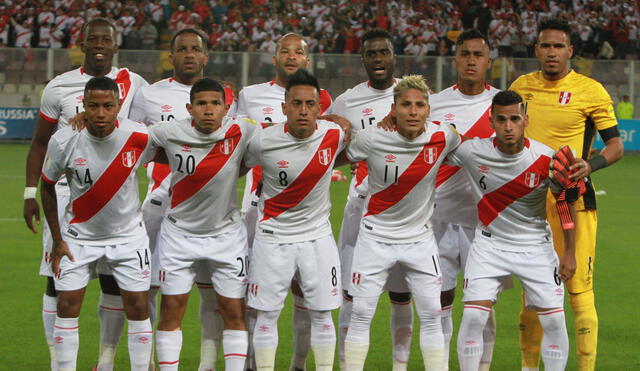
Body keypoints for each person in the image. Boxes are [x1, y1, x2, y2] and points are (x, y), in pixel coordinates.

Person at [23, 18, 147, 371]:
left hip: (114, 195)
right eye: (92, 39)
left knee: (112, 279)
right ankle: (56, 359)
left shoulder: (134, 84)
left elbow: (151, 127)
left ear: (115, 45)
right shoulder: (59, 86)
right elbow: (40, 143)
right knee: (56, 280)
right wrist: (31, 192)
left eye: (105, 40)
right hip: (64, 193)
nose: (99, 45)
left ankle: (105, 361)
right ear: (82, 42)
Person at [510, 18, 624, 371]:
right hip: (527, 204)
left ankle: (585, 367)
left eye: (558, 46)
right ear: (536, 50)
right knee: (532, 293)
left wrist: (591, 165)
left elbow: (616, 145)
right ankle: (530, 366)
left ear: (570, 51)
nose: (551, 52)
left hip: (572, 202)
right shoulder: (520, 86)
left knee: (577, 290)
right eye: (545, 46)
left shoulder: (590, 90)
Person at [230, 32, 334, 371]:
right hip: (262, 213)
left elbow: (341, 145)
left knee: (315, 305)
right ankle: (249, 363)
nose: (304, 111)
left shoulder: (332, 125)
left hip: (314, 227)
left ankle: (299, 364)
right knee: (258, 303)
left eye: (298, 52)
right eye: (284, 51)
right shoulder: (251, 100)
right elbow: (236, 150)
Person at [344, 75, 461, 371]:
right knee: (361, 314)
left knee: (433, 315)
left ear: (428, 109)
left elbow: (467, 148)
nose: (413, 110)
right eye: (405, 104)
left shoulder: (443, 136)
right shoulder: (372, 137)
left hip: (420, 241)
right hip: (374, 239)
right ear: (393, 108)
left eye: (420, 105)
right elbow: (339, 158)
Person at [453, 90, 576, 371]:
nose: (508, 126)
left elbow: (565, 204)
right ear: (491, 121)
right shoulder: (471, 151)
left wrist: (569, 252)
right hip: (488, 245)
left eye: (514, 119)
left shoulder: (546, 158)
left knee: (555, 321)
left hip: (535, 247)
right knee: (472, 318)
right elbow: (431, 151)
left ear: (526, 120)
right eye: (501, 119)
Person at [40, 76, 156, 371]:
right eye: (93, 106)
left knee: (138, 308)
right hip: (78, 237)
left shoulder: (139, 135)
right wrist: (57, 239)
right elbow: (47, 185)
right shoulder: (64, 139)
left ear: (119, 106)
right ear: (84, 106)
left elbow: (176, 148)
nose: (101, 113)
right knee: (67, 307)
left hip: (129, 238)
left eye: (108, 106)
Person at [129, 28, 227, 371]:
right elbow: (132, 141)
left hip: (211, 210)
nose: (189, 54)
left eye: (195, 49)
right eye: (182, 49)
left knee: (210, 291)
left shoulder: (225, 94)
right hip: (160, 204)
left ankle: (208, 363)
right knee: (151, 286)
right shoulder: (150, 94)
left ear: (205, 56)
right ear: (171, 57)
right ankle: (152, 361)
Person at [245, 70, 346, 371]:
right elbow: (234, 166)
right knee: (267, 314)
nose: (303, 110)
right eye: (297, 103)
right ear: (284, 106)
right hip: (272, 237)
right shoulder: (262, 141)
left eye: (310, 104)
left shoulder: (334, 134)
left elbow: (348, 149)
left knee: (323, 313)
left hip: (317, 237)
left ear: (319, 108)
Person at [150, 78, 254, 371]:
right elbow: (127, 137)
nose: (208, 110)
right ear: (190, 108)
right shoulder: (170, 132)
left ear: (226, 108)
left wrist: (333, 121)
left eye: (215, 104)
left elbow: (281, 134)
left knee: (233, 309)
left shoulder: (241, 129)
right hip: (178, 235)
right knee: (172, 308)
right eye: (201, 103)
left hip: (227, 235)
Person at [326, 28, 415, 370]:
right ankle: (348, 365)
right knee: (351, 293)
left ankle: (400, 365)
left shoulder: (413, 94)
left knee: (401, 294)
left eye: (384, 53)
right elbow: (330, 150)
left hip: (407, 211)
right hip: (361, 208)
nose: (378, 59)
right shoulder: (346, 102)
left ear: (394, 56)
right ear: (362, 59)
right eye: (371, 54)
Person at [428, 29, 500, 371]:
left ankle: (481, 366)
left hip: (484, 221)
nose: (471, 60)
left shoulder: (502, 104)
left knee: (482, 302)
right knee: (438, 298)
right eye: (465, 54)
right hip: (439, 215)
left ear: (488, 61)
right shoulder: (436, 103)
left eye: (478, 54)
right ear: (455, 60)